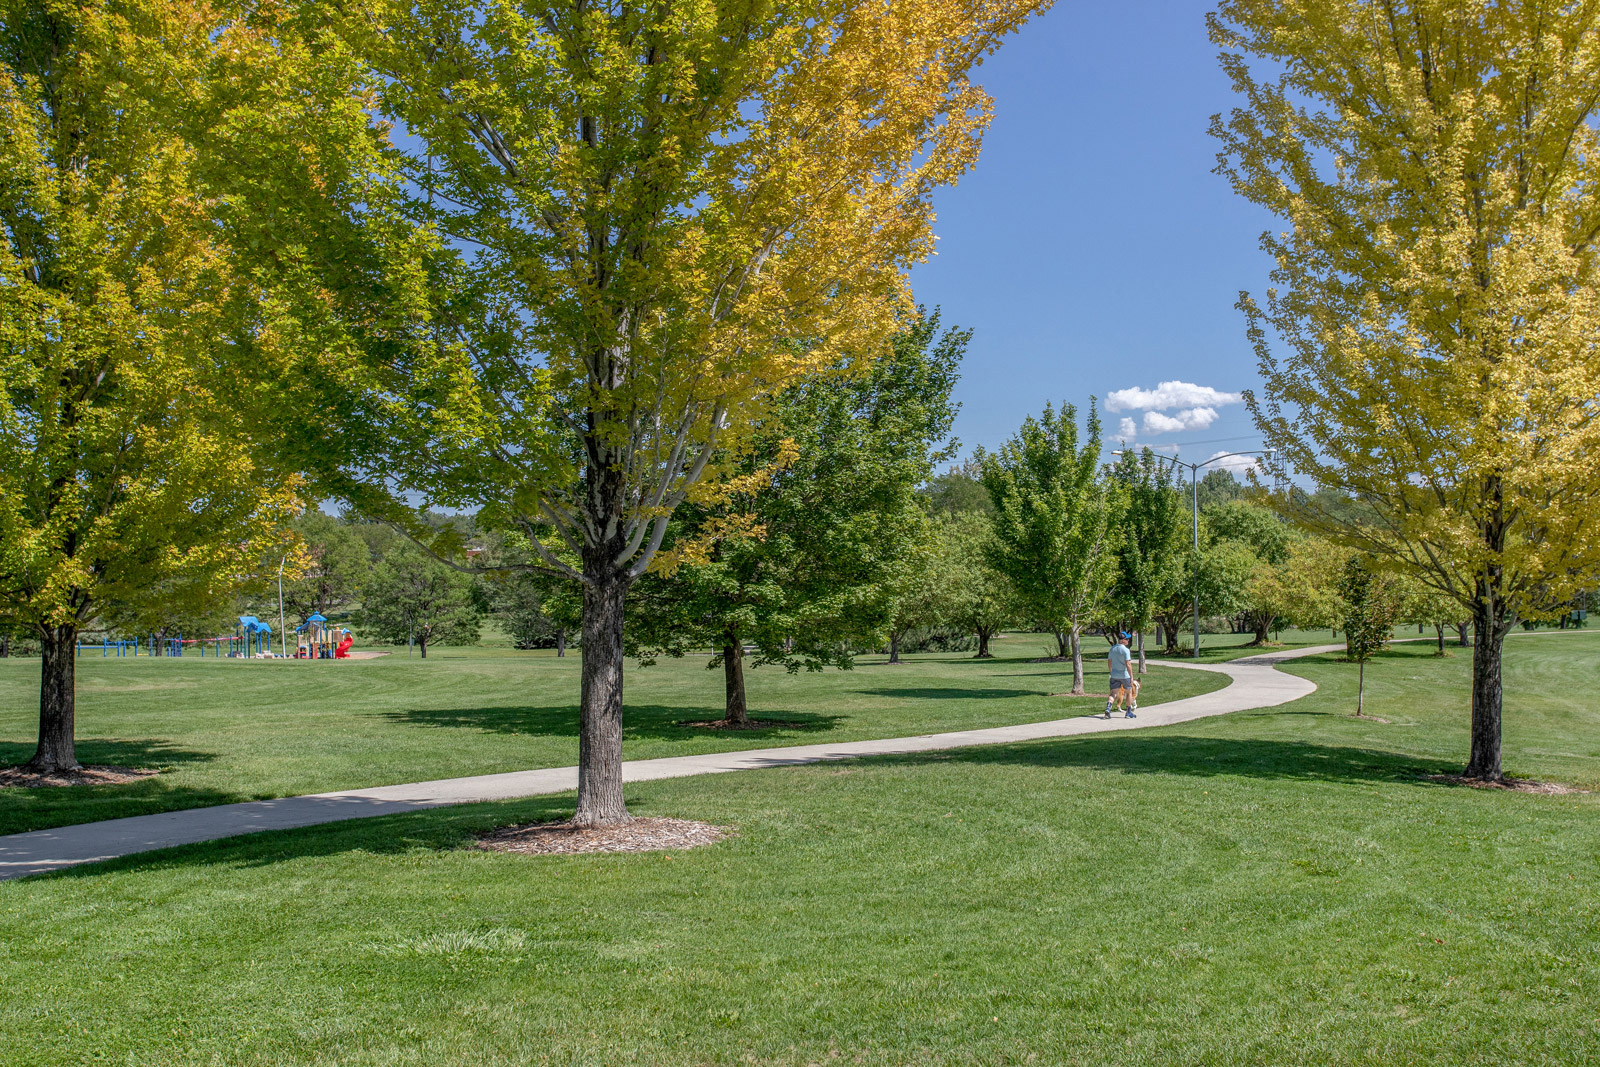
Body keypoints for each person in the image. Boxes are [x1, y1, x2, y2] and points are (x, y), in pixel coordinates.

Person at [1103, 631, 1137, 718]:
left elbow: (1109, 662)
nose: (1128, 641)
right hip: (1125, 675)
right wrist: (1131, 676)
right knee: (1128, 692)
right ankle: (1128, 712)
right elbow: (1128, 664)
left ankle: (1108, 708)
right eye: (1127, 639)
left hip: (1114, 675)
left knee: (1113, 693)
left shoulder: (1112, 649)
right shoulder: (1126, 650)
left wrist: (1111, 672)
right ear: (1123, 640)